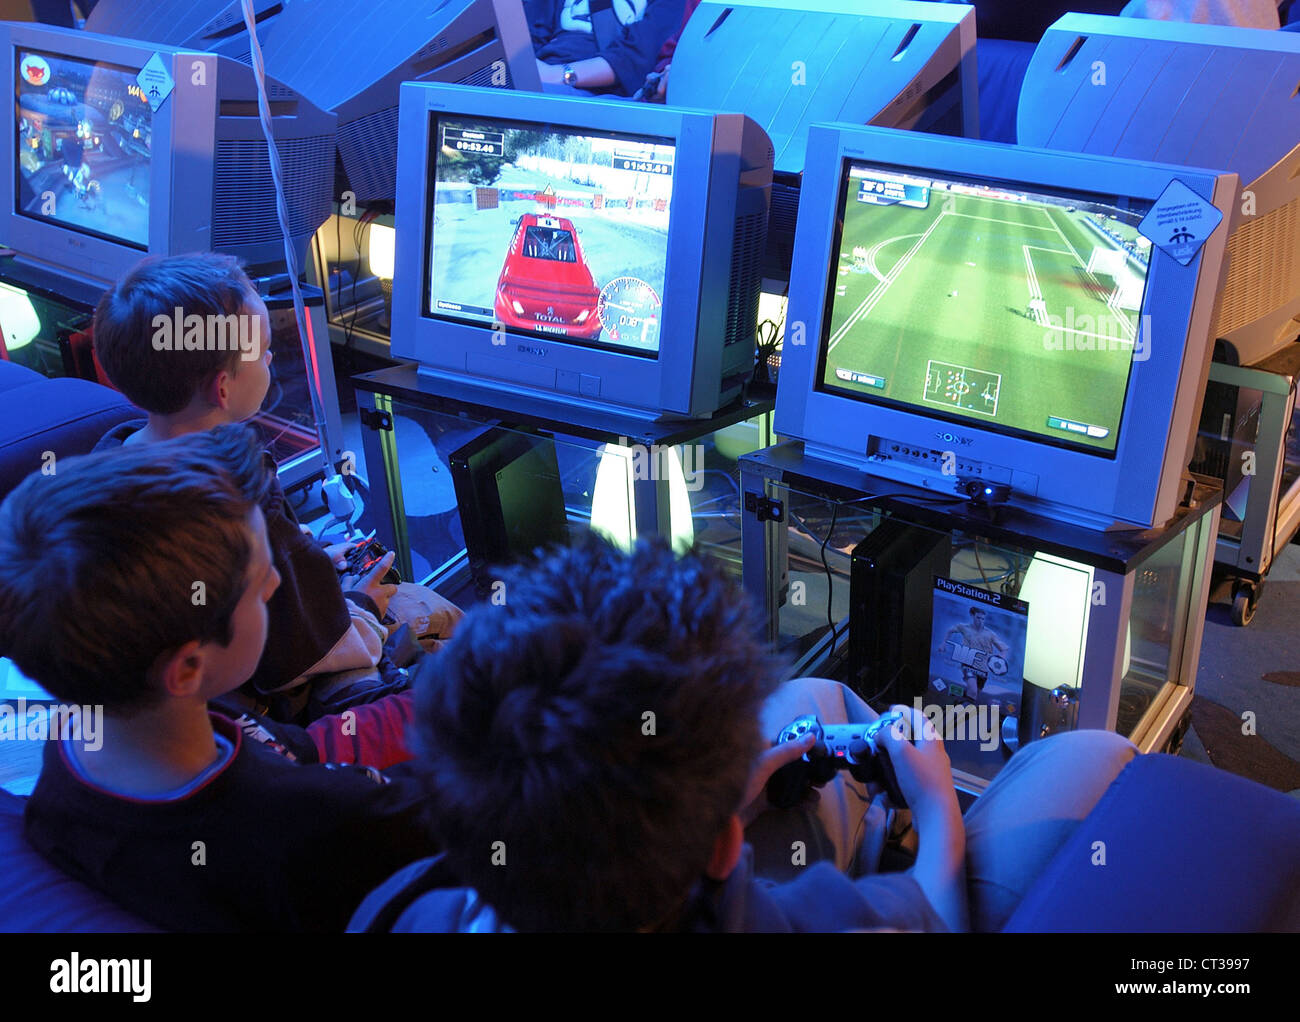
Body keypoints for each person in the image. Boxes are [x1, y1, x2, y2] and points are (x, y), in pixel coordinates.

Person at [351, 536, 1137, 933]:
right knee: (1096, 755)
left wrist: (740, 779)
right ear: (727, 848)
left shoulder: (403, 907)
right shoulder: (819, 917)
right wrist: (937, 810)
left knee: (820, 701)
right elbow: (933, 914)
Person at [0, 427, 440, 932]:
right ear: (187, 668)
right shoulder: (307, 822)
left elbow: (294, 750)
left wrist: (433, 703)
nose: (277, 581)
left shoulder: (74, 750)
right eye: (259, 582)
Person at [91, 252, 461, 725]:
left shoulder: (107, 461)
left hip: (180, 665)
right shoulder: (239, 487)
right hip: (270, 678)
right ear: (223, 389)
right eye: (265, 350)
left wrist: (303, 560)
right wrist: (362, 604)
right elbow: (301, 649)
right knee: (439, 612)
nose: (271, 358)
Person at [526, 0, 686, 96]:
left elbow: (637, 58)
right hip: (542, 73)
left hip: (601, 91)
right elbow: (527, 34)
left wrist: (560, 75)